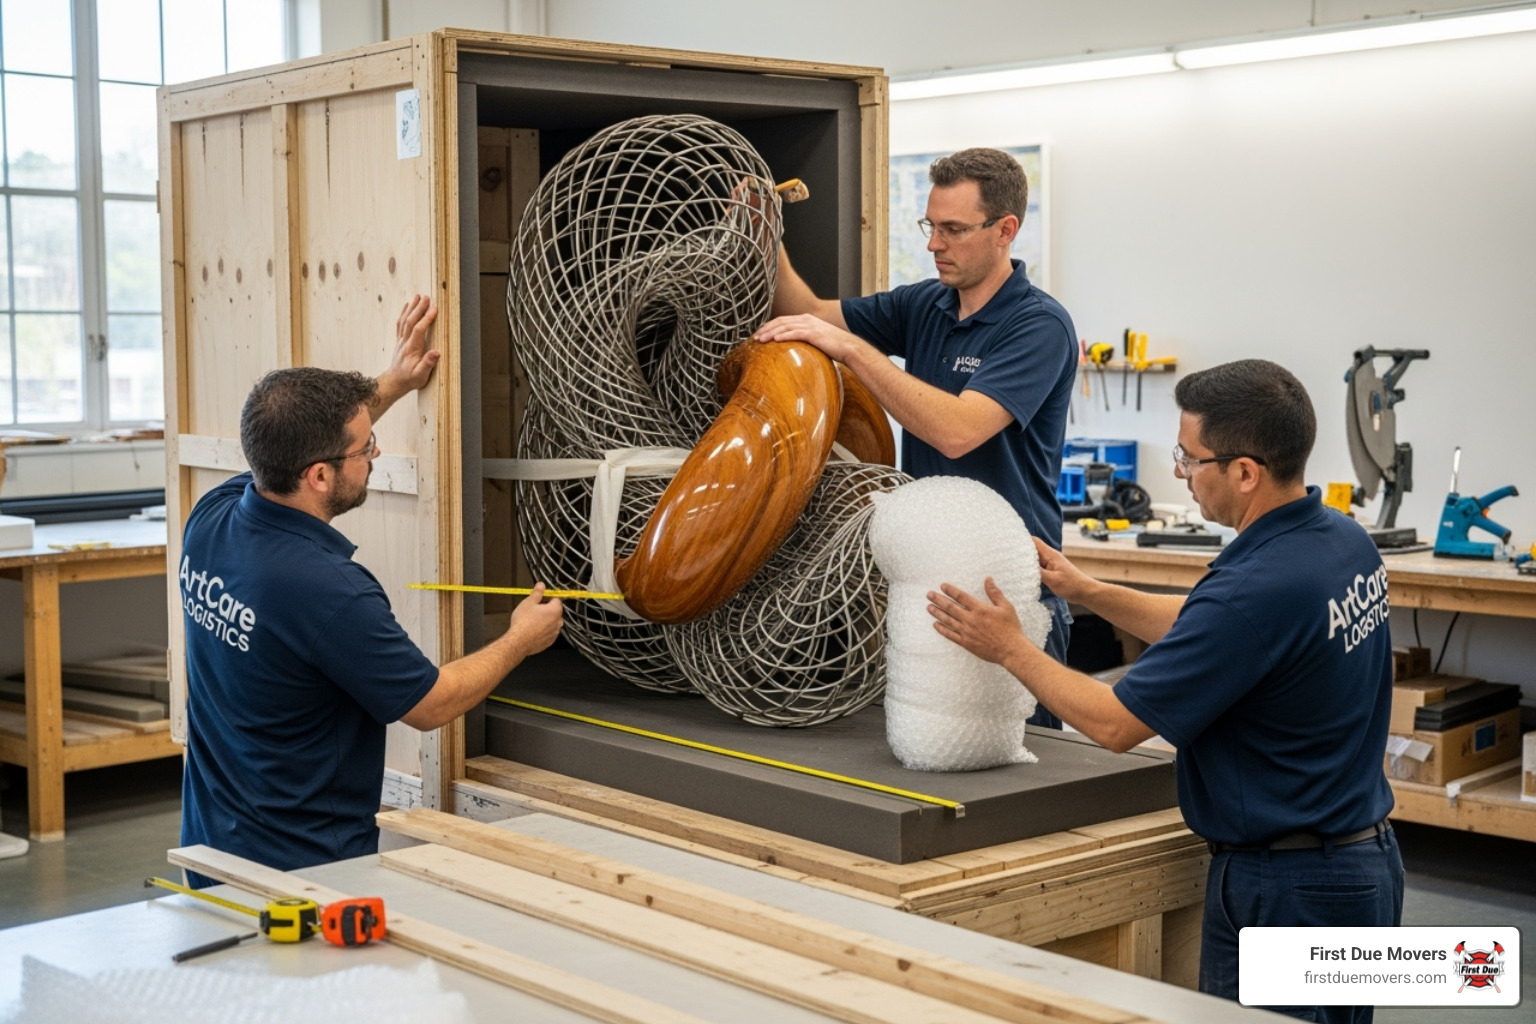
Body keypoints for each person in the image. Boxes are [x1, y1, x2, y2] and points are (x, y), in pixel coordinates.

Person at [925, 359, 1402, 1024]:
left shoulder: (1254, 589)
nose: (1180, 473)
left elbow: (1115, 724)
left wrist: (1010, 647)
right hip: (1363, 867)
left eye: (1190, 458)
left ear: (1245, 472)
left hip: (1289, 892)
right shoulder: (1341, 540)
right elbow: (1209, 625)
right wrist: (1088, 590)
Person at [179, 295, 564, 885]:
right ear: (319, 476)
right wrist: (519, 639)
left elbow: (302, 441)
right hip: (304, 878)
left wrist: (396, 380)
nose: (375, 455)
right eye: (365, 449)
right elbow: (430, 704)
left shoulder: (214, 514)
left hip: (210, 854)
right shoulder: (328, 592)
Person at [755, 147, 1078, 726]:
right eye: (931, 226)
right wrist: (765, 231)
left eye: (954, 229)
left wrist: (856, 352)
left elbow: (957, 431)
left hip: (1008, 588)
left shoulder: (1038, 325)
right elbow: (806, 311)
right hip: (928, 578)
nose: (935, 245)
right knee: (927, 743)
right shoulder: (925, 304)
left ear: (1005, 230)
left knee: (1022, 755)